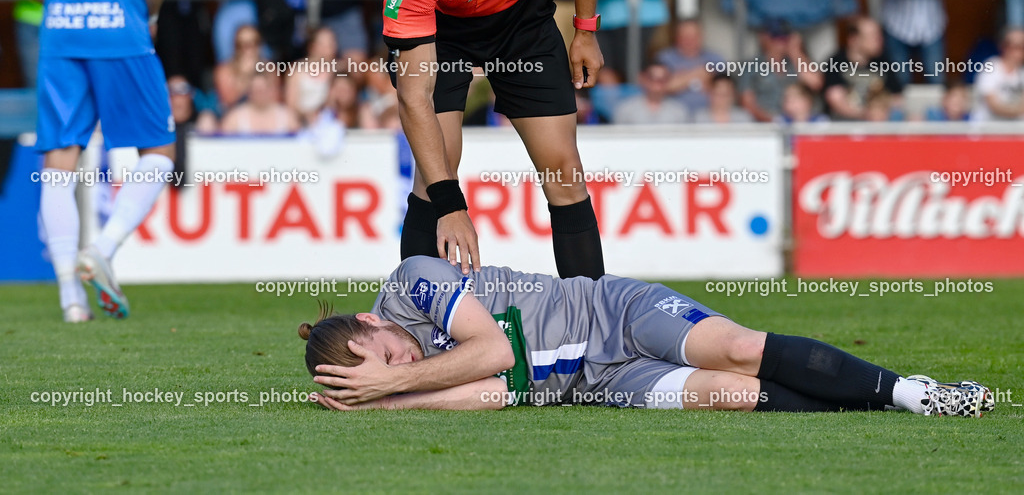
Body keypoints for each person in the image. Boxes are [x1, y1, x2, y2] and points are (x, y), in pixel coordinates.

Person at [301, 255, 994, 416]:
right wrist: (386, 401)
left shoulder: (413, 279)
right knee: (733, 394)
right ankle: (882, 406)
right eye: (392, 367)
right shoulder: (396, 374)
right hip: (596, 382)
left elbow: (497, 354)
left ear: (370, 321)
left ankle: (911, 390)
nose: (406, 360)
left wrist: (393, 380)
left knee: (741, 347)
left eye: (390, 352)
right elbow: (494, 393)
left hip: (617, 311)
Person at [381, 0, 606, 280]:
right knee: (434, 174)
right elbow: (414, 100)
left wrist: (586, 29)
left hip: (520, 19)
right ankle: (414, 329)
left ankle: (592, 327)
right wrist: (451, 205)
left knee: (564, 173)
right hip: (442, 27)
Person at [10, 0, 174, 322]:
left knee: (58, 161)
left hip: (62, 39)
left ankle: (69, 299)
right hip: (121, 32)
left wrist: (57, 6)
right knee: (159, 149)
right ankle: (101, 247)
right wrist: (147, 13)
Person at [740, 20, 822, 123]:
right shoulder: (751, 66)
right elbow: (747, 102)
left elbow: (815, 83)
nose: (780, 41)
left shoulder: (796, 61)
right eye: (775, 36)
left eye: (784, 37)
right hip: (765, 126)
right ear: (763, 37)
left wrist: (795, 51)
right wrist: (773, 121)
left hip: (800, 123)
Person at [822, 17, 903, 121]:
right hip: (844, 125)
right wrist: (867, 114)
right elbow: (835, 100)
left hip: (879, 124)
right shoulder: (836, 62)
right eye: (873, 36)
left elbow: (897, 97)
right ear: (854, 39)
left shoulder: (883, 62)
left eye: (879, 35)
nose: (880, 40)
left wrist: (880, 109)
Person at [655, 18, 723, 118]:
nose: (690, 41)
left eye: (694, 36)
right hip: (672, 117)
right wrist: (698, 74)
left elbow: (723, 90)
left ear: (701, 37)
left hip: (708, 117)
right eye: (685, 37)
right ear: (677, 37)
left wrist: (680, 79)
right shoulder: (665, 58)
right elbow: (659, 86)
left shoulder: (715, 58)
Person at [969, 28, 1024, 122]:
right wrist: (1017, 111)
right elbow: (993, 106)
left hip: (1014, 132)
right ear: (1005, 47)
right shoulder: (991, 67)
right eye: (1017, 46)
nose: (1021, 52)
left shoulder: (1021, 72)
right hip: (987, 130)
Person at [220, 71, 300, 135]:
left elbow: (299, 142)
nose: (260, 95)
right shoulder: (235, 118)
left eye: (262, 90)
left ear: (270, 90)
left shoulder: (286, 117)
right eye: (256, 91)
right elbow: (223, 144)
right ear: (249, 92)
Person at [612, 63, 689, 125]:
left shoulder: (679, 111)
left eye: (662, 79)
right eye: (652, 78)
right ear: (643, 79)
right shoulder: (626, 109)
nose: (657, 83)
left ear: (668, 81)